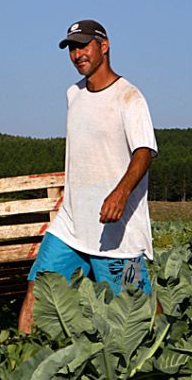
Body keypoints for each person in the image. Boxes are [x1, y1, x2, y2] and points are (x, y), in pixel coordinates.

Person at [18, 20, 158, 334]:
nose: (77, 54)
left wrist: (119, 194)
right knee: (39, 289)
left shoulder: (130, 98)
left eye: (83, 45)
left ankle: (168, 356)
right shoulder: (74, 94)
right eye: (72, 48)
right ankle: (20, 358)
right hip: (71, 226)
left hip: (117, 234)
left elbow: (144, 152)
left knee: (136, 306)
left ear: (104, 46)